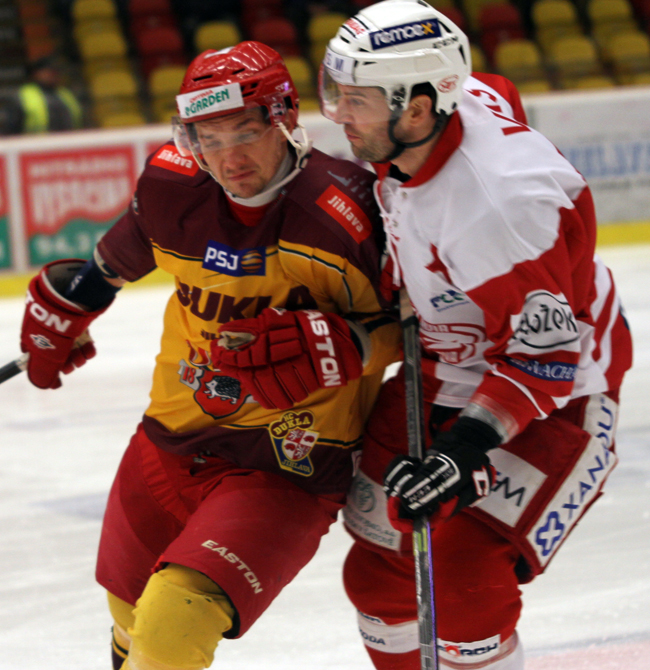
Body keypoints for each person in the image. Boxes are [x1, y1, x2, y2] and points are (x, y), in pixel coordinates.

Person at [19, 41, 400, 670]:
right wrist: (68, 308)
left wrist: (356, 345)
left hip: (290, 460)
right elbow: (112, 264)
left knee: (173, 623)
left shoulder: (350, 211)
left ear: (284, 118)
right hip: (168, 439)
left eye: (245, 132)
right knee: (129, 614)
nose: (229, 158)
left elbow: (424, 327)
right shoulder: (173, 187)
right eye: (208, 138)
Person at [318, 1, 633, 669]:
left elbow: (547, 358)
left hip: (562, 386)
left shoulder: (498, 209)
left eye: (356, 101)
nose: (339, 115)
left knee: (462, 581)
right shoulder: (443, 109)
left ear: (417, 110)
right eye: (337, 93)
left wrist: (463, 450)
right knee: (379, 575)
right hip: (452, 360)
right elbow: (498, 89)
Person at [0, 55, 83, 135]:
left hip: (68, 142)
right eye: (48, 72)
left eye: (55, 72)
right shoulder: (23, 96)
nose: (52, 75)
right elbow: (11, 128)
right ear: (36, 73)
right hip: (34, 143)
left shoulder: (65, 94)